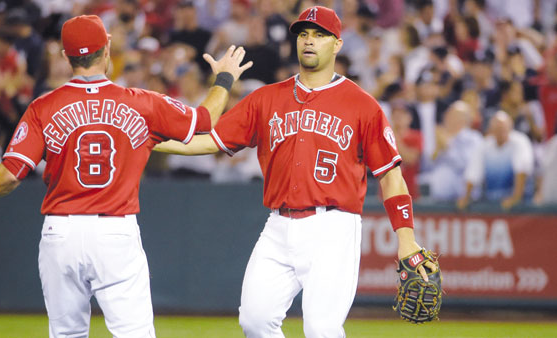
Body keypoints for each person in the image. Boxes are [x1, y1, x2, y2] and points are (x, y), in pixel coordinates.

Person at [0, 15, 252, 337]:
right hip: (115, 232)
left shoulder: (43, 107)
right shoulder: (142, 104)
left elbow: (8, 175)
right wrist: (225, 78)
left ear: (65, 55)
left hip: (60, 234)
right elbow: (205, 118)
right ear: (107, 49)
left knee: (67, 334)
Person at [154, 6, 434, 338]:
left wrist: (406, 238)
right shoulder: (266, 98)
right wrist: (143, 141)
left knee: (322, 329)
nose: (309, 42)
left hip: (334, 225)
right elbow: (206, 142)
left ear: (337, 44)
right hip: (279, 225)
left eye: (319, 35)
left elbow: (391, 175)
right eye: (303, 34)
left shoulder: (363, 106)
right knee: (255, 322)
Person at [457, 111, 534, 211]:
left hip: (520, 205)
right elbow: (473, 174)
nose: (500, 132)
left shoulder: (520, 142)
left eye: (503, 129)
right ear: (491, 130)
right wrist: (466, 197)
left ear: (510, 128)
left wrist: (515, 198)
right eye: (497, 129)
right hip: (491, 201)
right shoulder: (484, 146)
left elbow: (522, 171)